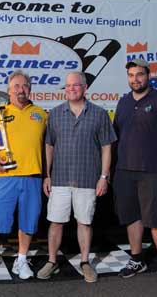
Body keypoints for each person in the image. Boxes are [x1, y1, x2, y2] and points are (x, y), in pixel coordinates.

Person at [37, 71, 117, 283]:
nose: (71, 88)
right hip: (60, 178)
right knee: (55, 222)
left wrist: (103, 177)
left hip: (87, 178)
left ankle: (84, 262)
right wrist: (47, 175)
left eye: (76, 85)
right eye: (68, 85)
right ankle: (52, 261)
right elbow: (49, 146)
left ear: (85, 87)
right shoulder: (54, 114)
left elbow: (106, 148)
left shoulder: (99, 114)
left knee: (84, 222)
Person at [113, 58, 157, 285]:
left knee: (156, 219)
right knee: (131, 218)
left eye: (140, 74)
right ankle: (137, 259)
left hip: (153, 171)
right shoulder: (123, 102)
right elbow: (116, 137)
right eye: (132, 75)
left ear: (148, 75)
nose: (136, 79)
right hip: (124, 171)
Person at [0, 70, 47, 281]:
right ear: (8, 90)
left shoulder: (41, 114)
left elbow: (49, 146)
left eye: (24, 86)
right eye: (16, 86)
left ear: (30, 89)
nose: (20, 90)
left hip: (33, 177)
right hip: (5, 176)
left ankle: (21, 260)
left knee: (28, 223)